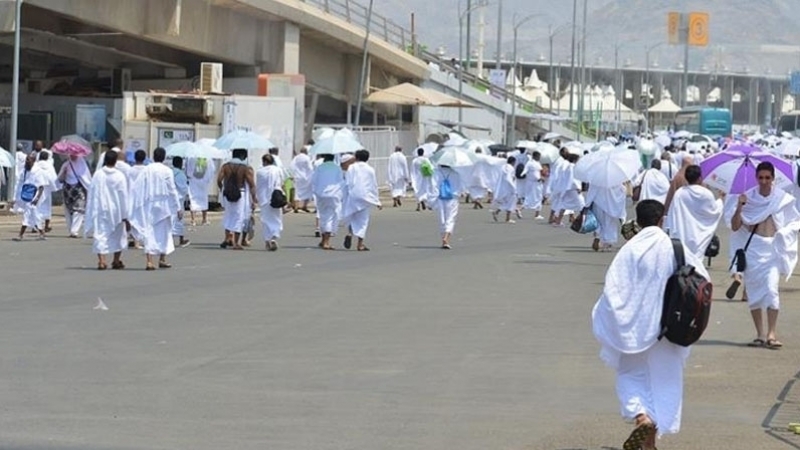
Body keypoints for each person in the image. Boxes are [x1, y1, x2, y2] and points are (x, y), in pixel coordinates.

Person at [592, 199, 709, 450]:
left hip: (633, 329)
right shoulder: (676, 248)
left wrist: (615, 319)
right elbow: (703, 281)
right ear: (661, 220)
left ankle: (640, 417)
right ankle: (650, 441)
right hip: (672, 327)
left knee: (630, 374)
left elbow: (613, 289)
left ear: (638, 220)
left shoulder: (630, 250)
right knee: (664, 380)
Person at [731, 162, 800, 349]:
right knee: (753, 293)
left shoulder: (782, 198)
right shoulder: (748, 198)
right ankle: (760, 334)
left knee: (771, 290)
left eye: (767, 178)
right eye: (760, 178)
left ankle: (771, 333)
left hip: (773, 249)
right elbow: (736, 226)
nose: (763, 181)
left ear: (773, 178)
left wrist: (783, 234)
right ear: (756, 178)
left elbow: (795, 222)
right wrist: (739, 207)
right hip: (753, 249)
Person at [129, 147, 182, 270]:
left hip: (150, 205)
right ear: (163, 157)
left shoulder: (147, 169)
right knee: (165, 232)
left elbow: (138, 187)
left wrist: (137, 203)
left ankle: (149, 261)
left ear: (153, 156)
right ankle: (162, 258)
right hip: (164, 205)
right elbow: (172, 190)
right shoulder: (167, 171)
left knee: (149, 232)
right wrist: (177, 207)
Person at [665, 165, 723, 262]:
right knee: (696, 260)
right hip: (699, 233)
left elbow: (673, 212)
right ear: (700, 178)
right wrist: (721, 199)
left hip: (683, 231)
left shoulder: (680, 193)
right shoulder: (706, 194)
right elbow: (713, 212)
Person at [84, 151, 130, 270]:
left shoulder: (98, 174)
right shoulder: (119, 176)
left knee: (101, 234)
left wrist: (91, 208)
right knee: (118, 234)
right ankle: (116, 260)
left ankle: (102, 260)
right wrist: (126, 215)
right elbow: (123, 195)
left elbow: (92, 192)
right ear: (115, 161)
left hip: (101, 208)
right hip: (117, 210)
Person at [216, 148, 257, 250]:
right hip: (240, 193)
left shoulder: (225, 166)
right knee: (239, 217)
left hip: (228, 193)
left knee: (228, 215)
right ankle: (236, 243)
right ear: (243, 156)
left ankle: (226, 238)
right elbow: (251, 184)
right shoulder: (244, 168)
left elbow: (219, 180)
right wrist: (254, 198)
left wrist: (222, 189)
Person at [341, 149, 382, 251]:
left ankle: (350, 234)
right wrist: (377, 200)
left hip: (353, 195)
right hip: (365, 197)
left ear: (357, 158)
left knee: (352, 216)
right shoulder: (370, 169)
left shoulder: (351, 168)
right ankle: (360, 244)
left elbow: (348, 182)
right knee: (363, 221)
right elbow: (373, 185)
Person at [311, 153, 345, 250]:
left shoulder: (320, 168)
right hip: (334, 195)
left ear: (324, 158)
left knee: (323, 216)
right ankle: (326, 242)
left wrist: (315, 192)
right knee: (330, 217)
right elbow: (341, 181)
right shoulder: (337, 168)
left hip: (321, 194)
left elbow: (314, 180)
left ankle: (323, 240)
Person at [12, 154, 47, 241]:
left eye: (29, 160)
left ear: (33, 161)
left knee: (27, 214)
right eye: (26, 159)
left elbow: (41, 187)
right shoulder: (24, 171)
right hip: (25, 195)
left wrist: (36, 199)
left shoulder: (38, 171)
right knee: (35, 215)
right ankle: (42, 232)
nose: (27, 161)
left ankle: (20, 234)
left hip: (34, 195)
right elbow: (19, 185)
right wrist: (16, 197)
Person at [57, 155, 93, 238]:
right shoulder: (66, 164)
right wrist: (64, 172)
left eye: (75, 155)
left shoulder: (83, 166)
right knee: (68, 211)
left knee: (79, 210)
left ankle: (74, 230)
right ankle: (71, 229)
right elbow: (60, 179)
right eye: (71, 154)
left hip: (79, 190)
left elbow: (86, 179)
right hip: (68, 191)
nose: (73, 156)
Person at [256, 154, 286, 251]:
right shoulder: (277, 170)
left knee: (265, 220)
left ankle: (267, 241)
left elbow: (259, 186)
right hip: (276, 198)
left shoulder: (260, 172)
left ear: (264, 161)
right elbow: (282, 183)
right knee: (276, 219)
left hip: (264, 199)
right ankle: (273, 238)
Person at [431, 164, 463, 249]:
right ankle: (446, 238)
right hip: (452, 198)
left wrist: (432, 201)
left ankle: (443, 239)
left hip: (440, 198)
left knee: (442, 219)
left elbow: (434, 187)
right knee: (450, 218)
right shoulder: (455, 173)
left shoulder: (436, 172)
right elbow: (459, 186)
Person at [186, 156, 216, 226]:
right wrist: (208, 179)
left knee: (193, 199)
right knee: (204, 199)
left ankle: (193, 220)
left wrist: (189, 177)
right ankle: (204, 219)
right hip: (204, 181)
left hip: (193, 180)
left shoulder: (191, 156)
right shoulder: (207, 157)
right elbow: (212, 169)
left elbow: (188, 169)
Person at [34, 151, 59, 233]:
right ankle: (46, 225)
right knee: (47, 208)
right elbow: (53, 178)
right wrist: (54, 187)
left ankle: (36, 225)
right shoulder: (50, 166)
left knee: (37, 206)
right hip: (47, 189)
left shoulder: (36, 165)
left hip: (37, 188)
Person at [171, 156, 191, 248]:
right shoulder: (181, 174)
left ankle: (169, 239)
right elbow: (183, 189)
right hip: (179, 200)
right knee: (179, 219)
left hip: (170, 200)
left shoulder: (170, 172)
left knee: (171, 220)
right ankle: (181, 239)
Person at [491, 156, 518, 223]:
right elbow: (509, 178)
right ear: (513, 162)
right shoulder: (511, 168)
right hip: (509, 188)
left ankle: (497, 212)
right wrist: (513, 187)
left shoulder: (503, 167)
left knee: (506, 202)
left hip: (503, 188)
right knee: (511, 202)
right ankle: (507, 218)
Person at [290, 146, 314, 213]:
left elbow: (291, 166)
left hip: (297, 176)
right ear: (306, 152)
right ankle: (304, 206)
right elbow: (310, 168)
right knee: (308, 191)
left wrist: (293, 174)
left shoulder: (296, 157)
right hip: (305, 177)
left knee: (297, 191)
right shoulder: (307, 158)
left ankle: (296, 207)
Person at [522, 151, 545, 219]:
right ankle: (521, 209)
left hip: (533, 183)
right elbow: (535, 174)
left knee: (534, 198)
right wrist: (540, 178)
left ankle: (537, 214)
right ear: (536, 156)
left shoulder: (534, 163)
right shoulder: (533, 164)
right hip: (535, 184)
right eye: (538, 157)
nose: (539, 158)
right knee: (536, 198)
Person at [410, 147, 434, 211]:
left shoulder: (414, 161)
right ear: (423, 153)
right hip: (425, 177)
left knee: (418, 191)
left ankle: (418, 205)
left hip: (417, 178)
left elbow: (412, 171)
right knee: (426, 190)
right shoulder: (426, 160)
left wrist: (412, 179)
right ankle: (428, 204)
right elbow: (431, 168)